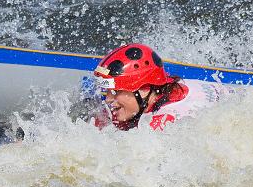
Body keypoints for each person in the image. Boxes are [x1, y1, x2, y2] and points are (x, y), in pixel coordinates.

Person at [92, 43, 236, 131]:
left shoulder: (165, 124)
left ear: (144, 89)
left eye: (116, 91)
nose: (108, 99)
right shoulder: (168, 86)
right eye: (108, 91)